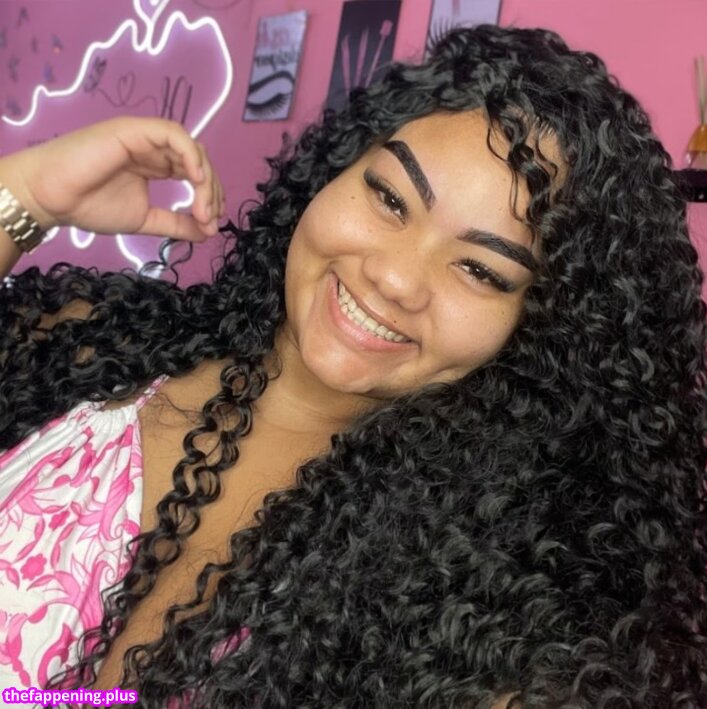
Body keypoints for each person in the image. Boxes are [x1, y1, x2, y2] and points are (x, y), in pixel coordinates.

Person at [0, 22, 705, 709]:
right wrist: (25, 196)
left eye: (481, 270)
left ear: (537, 330)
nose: (395, 278)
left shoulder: (465, 601)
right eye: (390, 198)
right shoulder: (100, 348)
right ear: (333, 169)